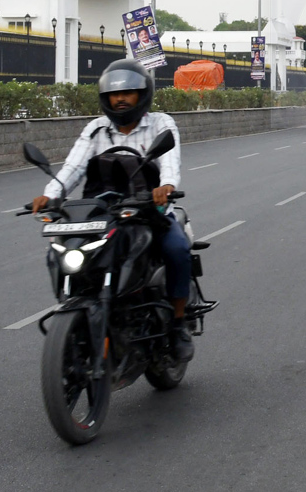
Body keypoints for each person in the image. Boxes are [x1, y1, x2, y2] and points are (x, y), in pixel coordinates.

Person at [31, 59, 195, 362]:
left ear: (142, 94)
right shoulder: (96, 130)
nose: (120, 99)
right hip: (102, 213)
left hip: (150, 211)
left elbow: (170, 162)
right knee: (60, 251)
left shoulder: (161, 124)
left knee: (176, 249)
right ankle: (78, 307)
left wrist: (166, 186)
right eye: (114, 95)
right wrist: (50, 194)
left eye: (128, 93)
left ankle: (177, 324)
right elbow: (73, 168)